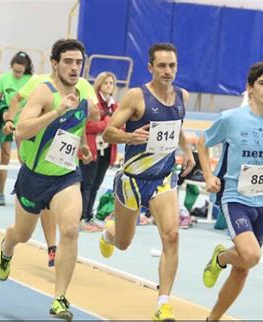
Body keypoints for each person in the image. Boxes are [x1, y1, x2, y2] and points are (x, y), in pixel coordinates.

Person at [0, 39, 99, 321]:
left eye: (78, 62)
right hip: (34, 177)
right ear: (54, 64)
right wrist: (56, 112)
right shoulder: (43, 91)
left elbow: (84, 120)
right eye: (68, 61)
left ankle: (59, 298)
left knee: (70, 231)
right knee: (23, 234)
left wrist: (81, 145)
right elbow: (21, 132)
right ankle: (8, 245)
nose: (74, 67)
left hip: (65, 176)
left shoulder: (86, 89)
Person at [100, 43, 195, 321]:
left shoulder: (182, 96)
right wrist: (130, 137)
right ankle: (109, 232)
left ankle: (163, 303)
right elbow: (108, 133)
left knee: (172, 236)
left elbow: (176, 127)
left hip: (163, 178)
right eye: (162, 66)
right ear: (150, 67)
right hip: (132, 179)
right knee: (123, 242)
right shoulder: (136, 96)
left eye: (172, 66)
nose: (168, 71)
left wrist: (187, 150)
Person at [197, 62, 263, 321]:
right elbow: (201, 142)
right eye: (262, 83)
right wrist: (208, 175)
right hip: (234, 197)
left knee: (243, 268)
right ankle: (220, 256)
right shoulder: (232, 118)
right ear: (250, 88)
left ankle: (213, 318)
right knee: (250, 255)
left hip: (262, 201)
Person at [79, 71, 119, 232]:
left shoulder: (114, 105)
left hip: (106, 151)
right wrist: (106, 124)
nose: (109, 86)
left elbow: (119, 125)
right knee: (86, 184)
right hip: (91, 149)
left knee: (96, 185)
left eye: (111, 83)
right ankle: (81, 217)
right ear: (99, 84)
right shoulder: (93, 103)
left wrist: (108, 124)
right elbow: (86, 125)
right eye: (106, 82)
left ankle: (89, 216)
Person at [0, 51, 34, 206]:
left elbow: (33, 102)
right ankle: (0, 193)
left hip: (23, 123)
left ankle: (23, 190)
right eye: (15, 71)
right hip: (7, 124)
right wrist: (2, 112)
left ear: (25, 69)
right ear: (11, 67)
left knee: (24, 159)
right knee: (4, 158)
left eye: (21, 71)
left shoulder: (30, 80)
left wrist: (18, 112)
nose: (18, 74)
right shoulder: (3, 78)